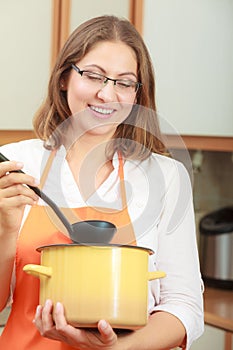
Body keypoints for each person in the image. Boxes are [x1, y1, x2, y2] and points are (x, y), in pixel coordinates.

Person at [0, 15, 204, 350]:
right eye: (93, 75)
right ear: (64, 77)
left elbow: (184, 305)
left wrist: (112, 349)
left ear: (138, 94)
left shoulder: (166, 178)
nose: (106, 94)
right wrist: (5, 227)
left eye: (124, 83)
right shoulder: (17, 166)